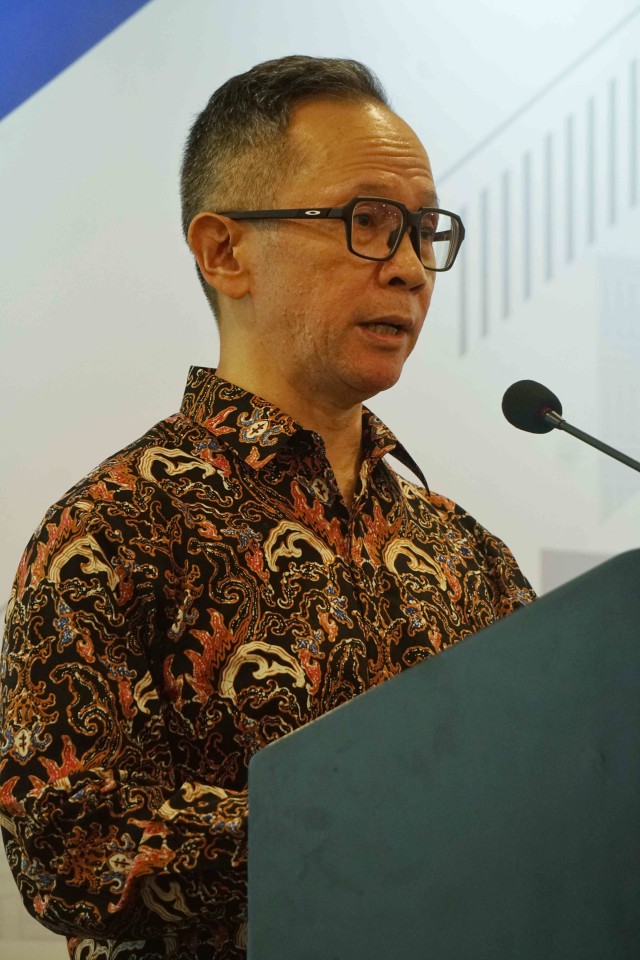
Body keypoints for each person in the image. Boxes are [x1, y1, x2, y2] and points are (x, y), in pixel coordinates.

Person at [0, 56, 535, 960]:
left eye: (424, 230)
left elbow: (548, 790)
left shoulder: (464, 553)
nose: (410, 268)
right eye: (368, 222)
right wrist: (365, 813)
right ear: (225, 250)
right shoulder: (114, 528)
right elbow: (71, 853)